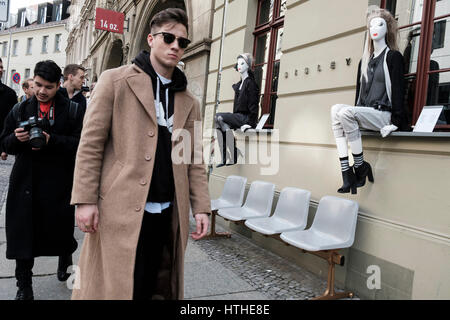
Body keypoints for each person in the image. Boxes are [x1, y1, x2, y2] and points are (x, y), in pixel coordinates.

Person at [71, 8, 210, 300]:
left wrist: (201, 208)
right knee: (116, 287)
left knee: (156, 285)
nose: (175, 46)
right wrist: (85, 200)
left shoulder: (189, 100)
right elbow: (90, 145)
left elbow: (194, 160)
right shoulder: (115, 80)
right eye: (168, 37)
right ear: (150, 39)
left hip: (168, 213)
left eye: (182, 42)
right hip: (119, 209)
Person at [0, 60, 86, 300]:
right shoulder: (20, 109)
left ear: (58, 85)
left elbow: (82, 144)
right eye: (37, 85)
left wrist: (52, 140)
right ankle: (23, 286)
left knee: (61, 233)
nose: (41, 91)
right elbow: (4, 142)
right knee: (22, 236)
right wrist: (17, 139)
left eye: (48, 86)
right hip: (25, 183)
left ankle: (65, 259)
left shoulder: (73, 110)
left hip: (58, 183)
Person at [330, 6, 408, 195]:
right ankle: (347, 172)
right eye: (371, 25)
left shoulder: (393, 57)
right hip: (368, 113)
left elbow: (398, 91)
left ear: (387, 28)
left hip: (384, 115)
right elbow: (359, 96)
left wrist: (396, 122)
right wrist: (355, 120)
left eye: (379, 24)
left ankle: (359, 167)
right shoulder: (364, 61)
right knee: (335, 110)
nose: (374, 28)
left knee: (346, 112)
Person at [215, 53, 259, 167]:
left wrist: (250, 123)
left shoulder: (251, 83)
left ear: (248, 66)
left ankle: (233, 154)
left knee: (218, 117)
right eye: (238, 63)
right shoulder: (240, 84)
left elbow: (254, 105)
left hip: (245, 118)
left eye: (242, 63)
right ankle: (226, 157)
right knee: (219, 121)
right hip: (238, 116)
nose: (239, 66)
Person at [0, 57, 18, 161]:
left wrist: (4, 147)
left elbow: (12, 123)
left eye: (1, 67)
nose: (0, 70)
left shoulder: (9, 94)